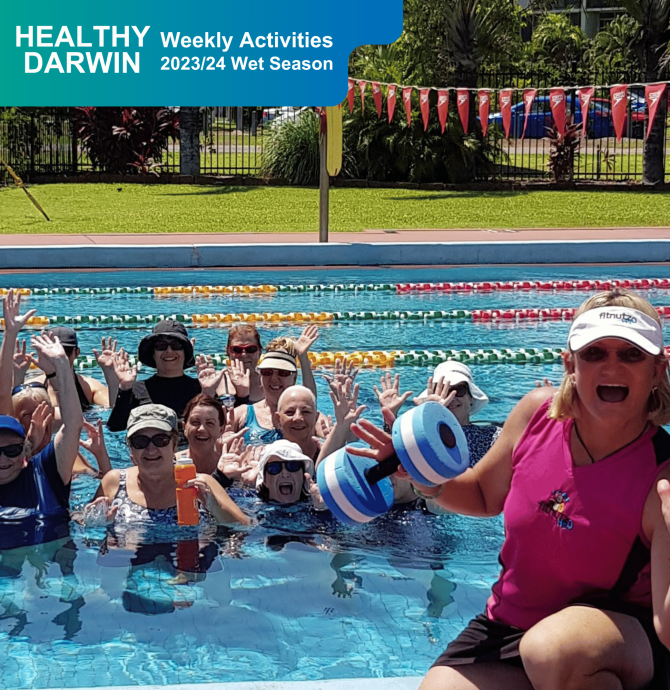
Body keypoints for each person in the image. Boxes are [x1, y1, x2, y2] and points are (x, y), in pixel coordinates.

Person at [351, 289, 670, 690]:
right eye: (594, 354)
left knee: (554, 649)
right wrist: (422, 477)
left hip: (616, 645)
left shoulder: (662, 477)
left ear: (657, 370)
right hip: (509, 629)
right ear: (570, 364)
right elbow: (483, 495)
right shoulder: (536, 414)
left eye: (631, 355)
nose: (611, 367)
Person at [90, 404, 250, 527]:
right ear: (131, 448)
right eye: (140, 442)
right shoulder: (114, 482)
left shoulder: (202, 484)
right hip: (134, 563)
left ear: (174, 445)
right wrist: (95, 523)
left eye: (160, 440)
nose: (150, 449)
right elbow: (82, 524)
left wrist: (214, 507)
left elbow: (246, 528)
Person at [375, 361, 501, 466]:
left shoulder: (492, 437)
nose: (450, 397)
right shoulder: (420, 439)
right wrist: (390, 417)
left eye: (459, 390)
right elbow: (390, 467)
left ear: (471, 398)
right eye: (442, 391)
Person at [106, 320, 201, 433]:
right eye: (161, 346)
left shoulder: (201, 389)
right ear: (153, 353)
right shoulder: (137, 389)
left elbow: (218, 428)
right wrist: (124, 387)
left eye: (176, 345)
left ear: (185, 351)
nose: (169, 351)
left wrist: (209, 392)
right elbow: (115, 428)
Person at [19, 327, 111, 410]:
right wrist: (17, 377)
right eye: (52, 351)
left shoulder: (90, 387)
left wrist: (111, 377)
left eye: (66, 351)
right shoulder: (32, 387)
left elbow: (113, 410)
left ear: (77, 353)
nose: (60, 356)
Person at [255, 439, 323, 508]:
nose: (285, 474)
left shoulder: (317, 505)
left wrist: (322, 509)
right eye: (274, 467)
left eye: (293, 466)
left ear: (303, 476)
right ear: (264, 480)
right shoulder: (253, 506)